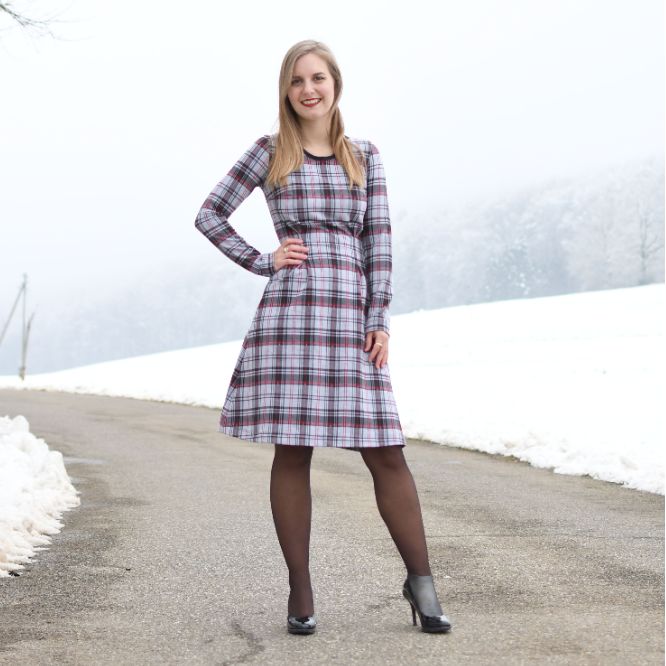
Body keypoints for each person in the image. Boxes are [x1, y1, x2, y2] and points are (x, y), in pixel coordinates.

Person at [194, 39, 451, 635]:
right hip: (292, 315)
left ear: (336, 84)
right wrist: (263, 258)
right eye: (296, 81)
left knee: (386, 451)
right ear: (286, 92)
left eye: (318, 78)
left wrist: (379, 316)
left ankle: (422, 583)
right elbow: (210, 214)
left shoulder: (365, 155)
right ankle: (301, 590)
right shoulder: (269, 151)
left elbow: (379, 240)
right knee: (294, 449)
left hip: (351, 315)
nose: (308, 89)